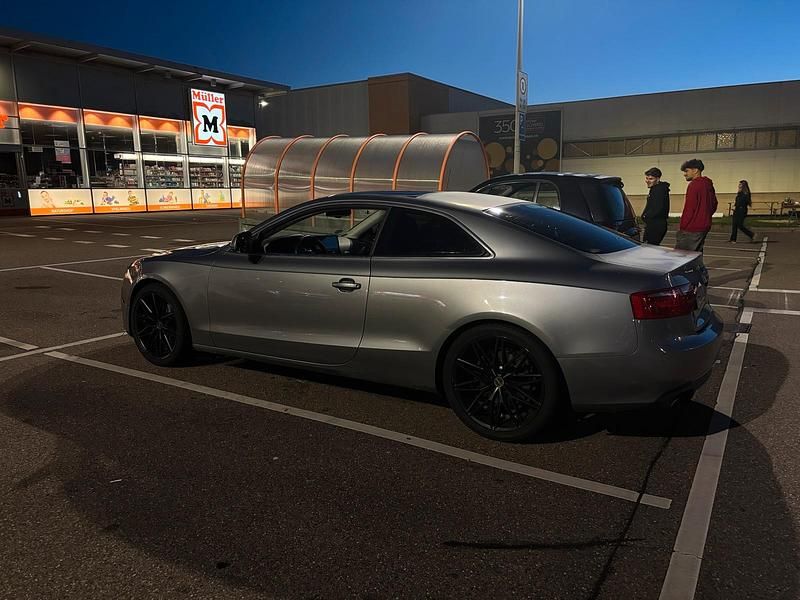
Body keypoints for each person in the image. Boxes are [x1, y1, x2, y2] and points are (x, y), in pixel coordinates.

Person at [676, 158, 717, 252]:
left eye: (687, 171)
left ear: (695, 170)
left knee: (681, 256)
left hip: (692, 228)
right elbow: (714, 204)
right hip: (704, 226)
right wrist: (705, 216)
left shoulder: (694, 185)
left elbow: (689, 209)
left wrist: (683, 227)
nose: (684, 174)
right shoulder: (708, 184)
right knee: (696, 255)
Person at [642, 167, 670, 245]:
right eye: (647, 178)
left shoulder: (659, 190)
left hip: (656, 225)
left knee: (649, 247)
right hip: (655, 224)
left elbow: (657, 208)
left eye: (651, 179)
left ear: (657, 179)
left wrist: (645, 216)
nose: (647, 181)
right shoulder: (656, 189)